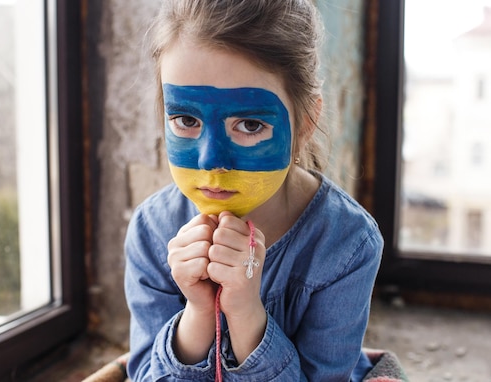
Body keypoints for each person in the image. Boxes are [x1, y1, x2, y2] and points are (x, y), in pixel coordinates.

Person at [124, 0, 383, 380]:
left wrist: (246, 312)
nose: (211, 161)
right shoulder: (151, 231)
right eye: (185, 119)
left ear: (306, 122)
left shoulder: (348, 244)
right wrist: (197, 312)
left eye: (249, 125)